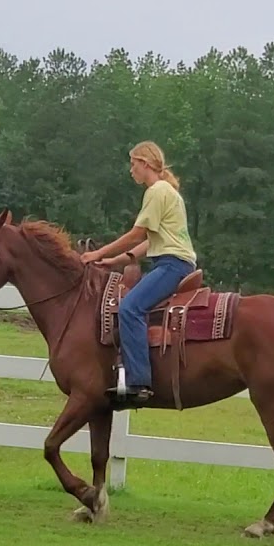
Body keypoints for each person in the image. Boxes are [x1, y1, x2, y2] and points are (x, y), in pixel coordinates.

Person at [80, 141, 197, 404]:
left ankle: (138, 382)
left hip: (171, 264)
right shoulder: (168, 192)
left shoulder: (156, 191)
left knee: (129, 308)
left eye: (133, 164)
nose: (131, 170)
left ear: (145, 163)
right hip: (173, 260)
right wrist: (115, 261)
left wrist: (98, 254)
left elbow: (137, 233)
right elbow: (149, 242)